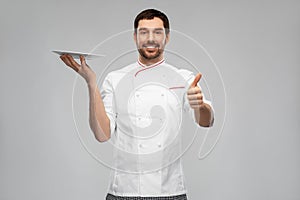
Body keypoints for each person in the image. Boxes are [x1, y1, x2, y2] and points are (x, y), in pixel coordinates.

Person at [60, 8, 214, 200]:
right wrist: (91, 83)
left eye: (158, 32)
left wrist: (199, 104)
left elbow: (205, 121)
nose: (151, 38)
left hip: (170, 192)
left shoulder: (184, 78)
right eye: (144, 32)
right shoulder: (115, 79)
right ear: (135, 37)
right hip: (123, 192)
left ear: (167, 37)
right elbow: (102, 134)